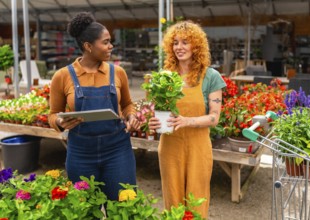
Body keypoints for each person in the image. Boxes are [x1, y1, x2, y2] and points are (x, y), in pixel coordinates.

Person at [48, 12, 140, 200]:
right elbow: (52, 114)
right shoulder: (63, 76)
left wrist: (132, 116)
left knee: (124, 206)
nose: (111, 46)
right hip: (80, 152)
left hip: (118, 149)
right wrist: (59, 121)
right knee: (86, 208)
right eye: (105, 42)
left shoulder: (118, 72)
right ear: (88, 46)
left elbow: (128, 105)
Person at [148, 20, 226, 218]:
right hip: (170, 146)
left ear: (196, 45)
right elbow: (161, 114)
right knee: (172, 201)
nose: (179, 47)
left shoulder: (211, 76)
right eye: (175, 43)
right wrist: (153, 123)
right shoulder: (164, 77)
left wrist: (186, 121)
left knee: (196, 200)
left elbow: (214, 118)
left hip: (198, 147)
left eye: (185, 42)